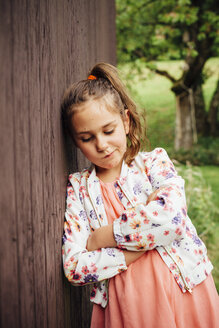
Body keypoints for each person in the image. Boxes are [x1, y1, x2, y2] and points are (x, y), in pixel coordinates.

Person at [61, 63, 219, 328]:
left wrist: (105, 236)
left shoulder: (154, 164)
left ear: (126, 121)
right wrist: (134, 250)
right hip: (129, 310)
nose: (101, 144)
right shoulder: (79, 189)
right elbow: (75, 266)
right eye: (87, 138)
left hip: (184, 290)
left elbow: (172, 220)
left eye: (108, 130)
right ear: (75, 141)